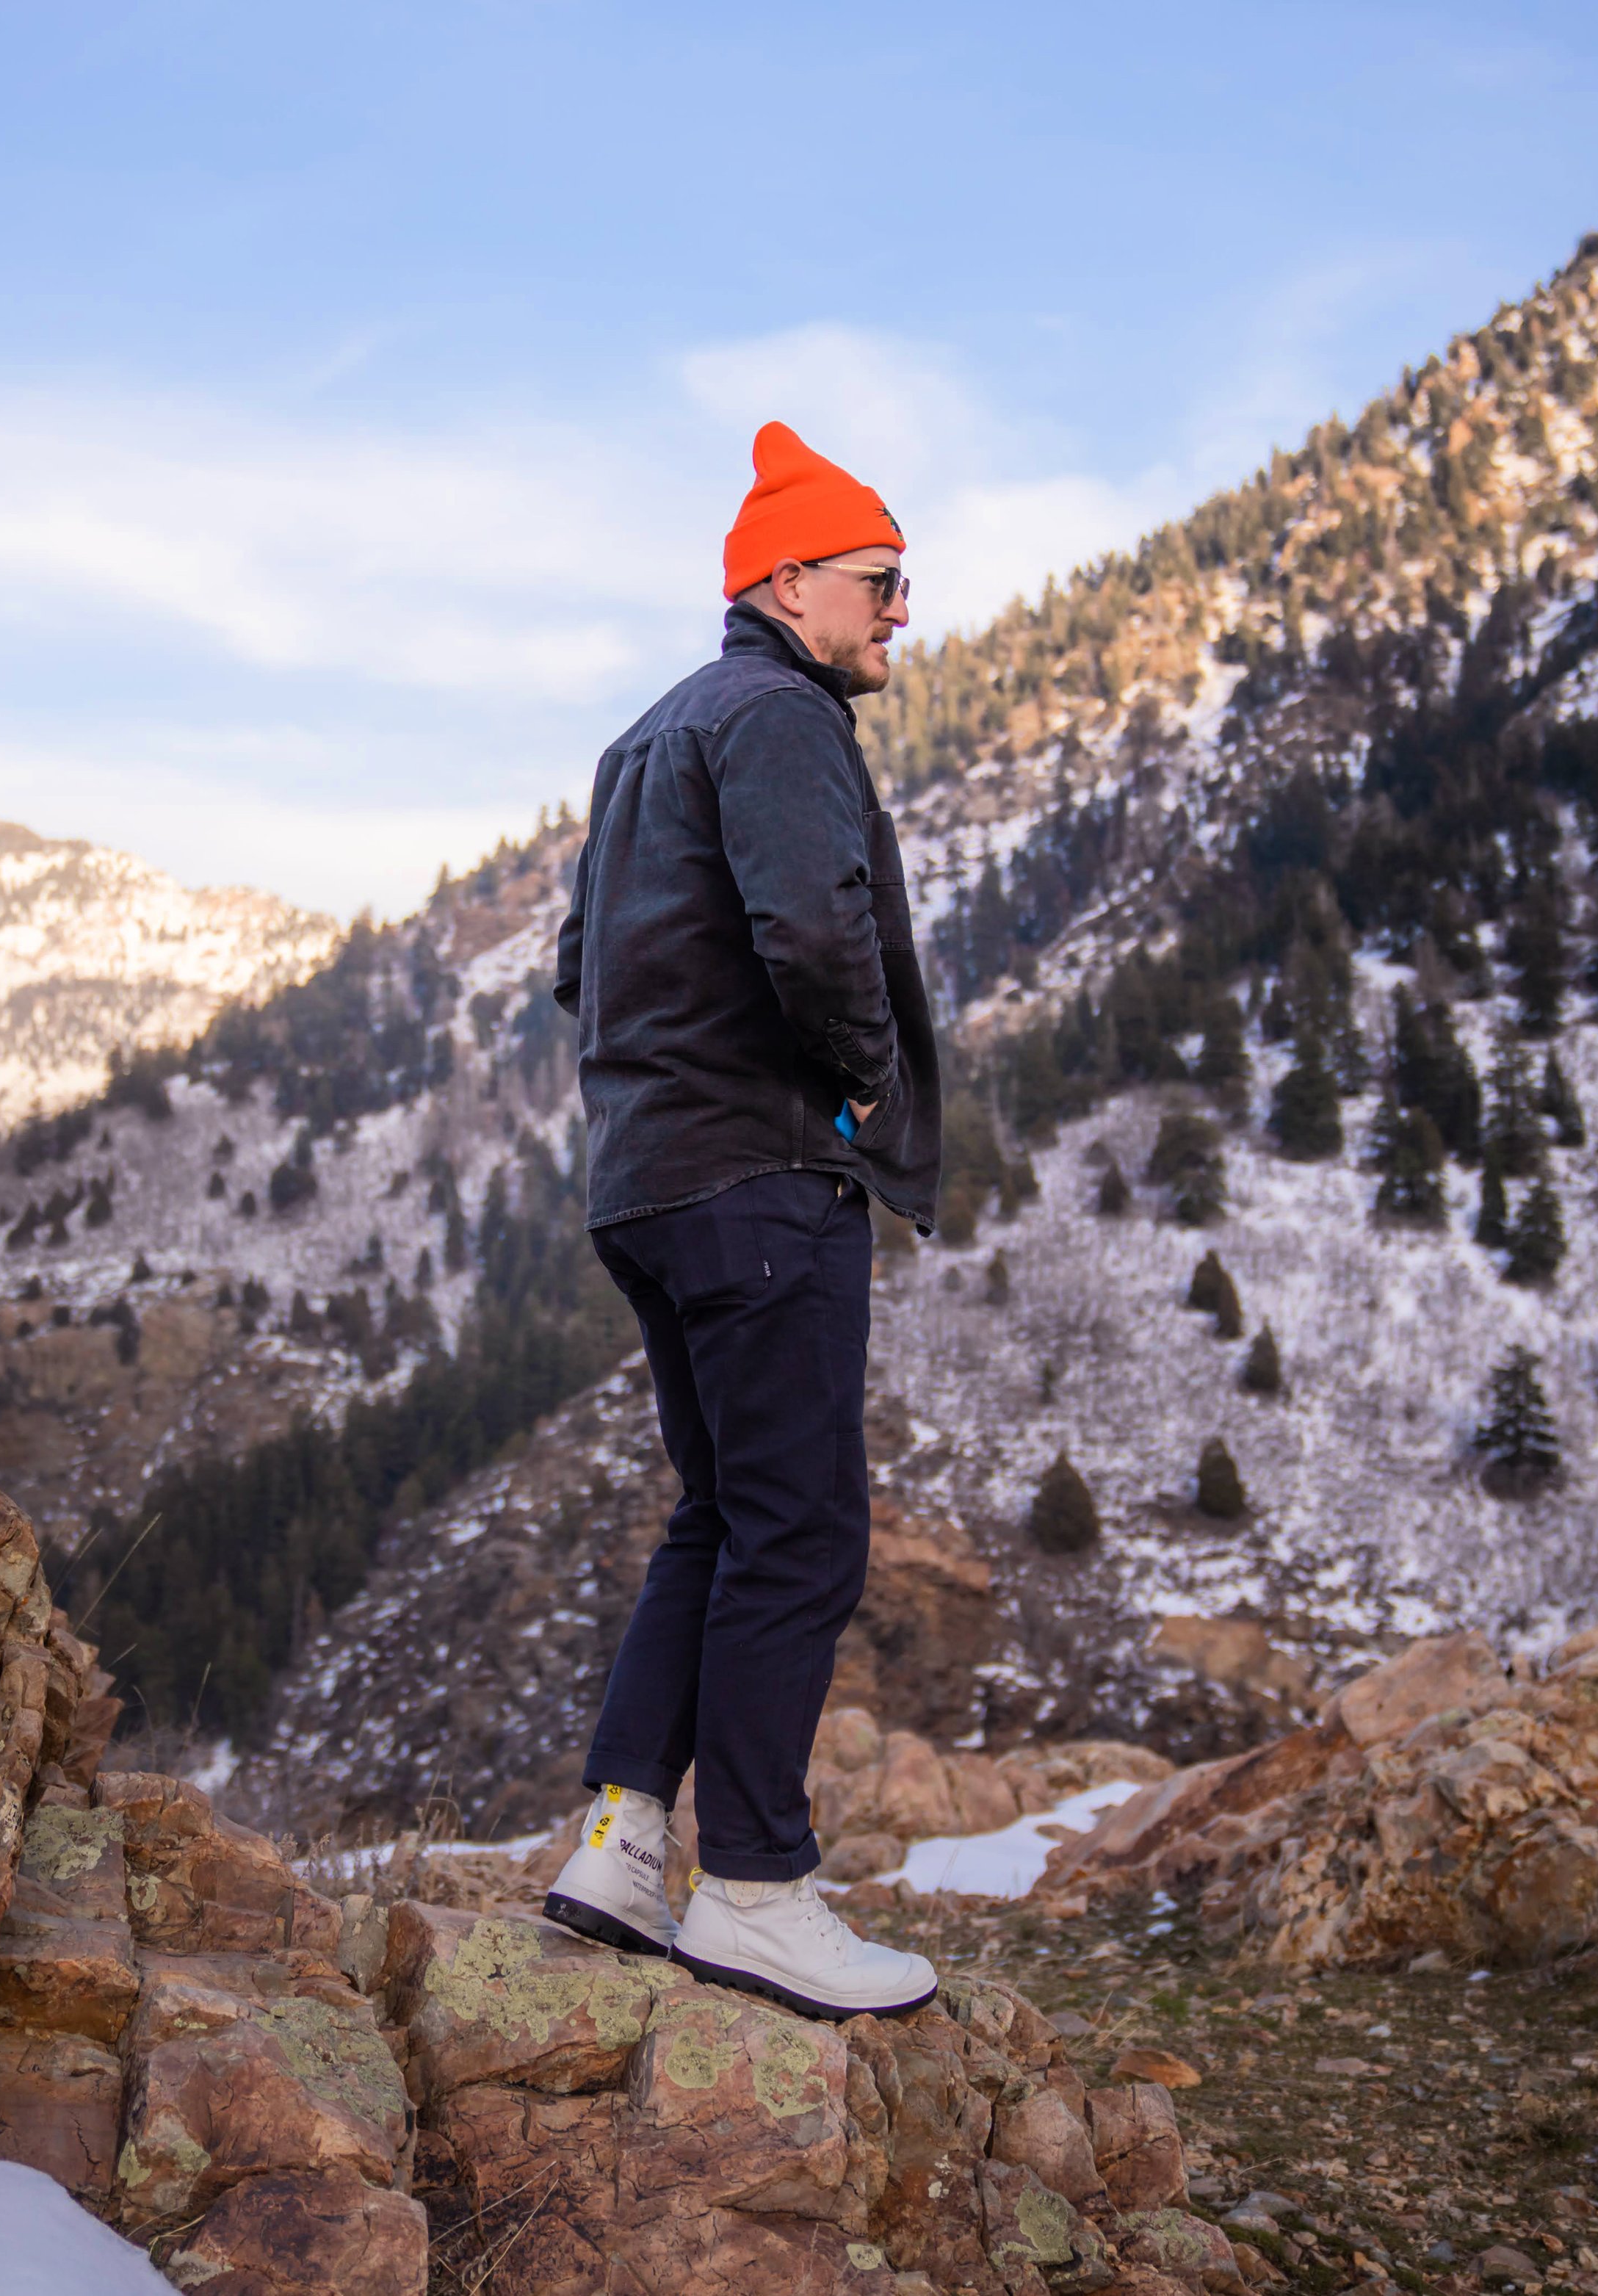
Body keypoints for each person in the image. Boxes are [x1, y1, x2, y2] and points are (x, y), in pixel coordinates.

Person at [545, 421, 941, 2019]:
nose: (899, 611)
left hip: (646, 1183)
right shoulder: (780, 716)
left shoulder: (648, 735)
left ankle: (621, 1846)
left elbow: (581, 969)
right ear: (787, 581)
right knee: (799, 1534)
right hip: (759, 1180)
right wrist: (852, 1085)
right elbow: (808, 924)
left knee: (713, 1517)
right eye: (878, 581)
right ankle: (761, 1888)